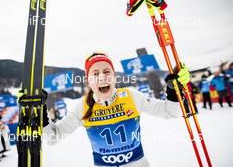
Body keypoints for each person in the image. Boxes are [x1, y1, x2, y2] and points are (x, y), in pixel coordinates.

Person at [42, 53, 190, 167]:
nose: (102, 77)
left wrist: (174, 91)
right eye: (95, 74)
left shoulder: (130, 96)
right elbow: (53, 138)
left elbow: (170, 112)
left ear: (114, 77)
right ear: (89, 81)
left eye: (107, 72)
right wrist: (40, 113)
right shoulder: (83, 106)